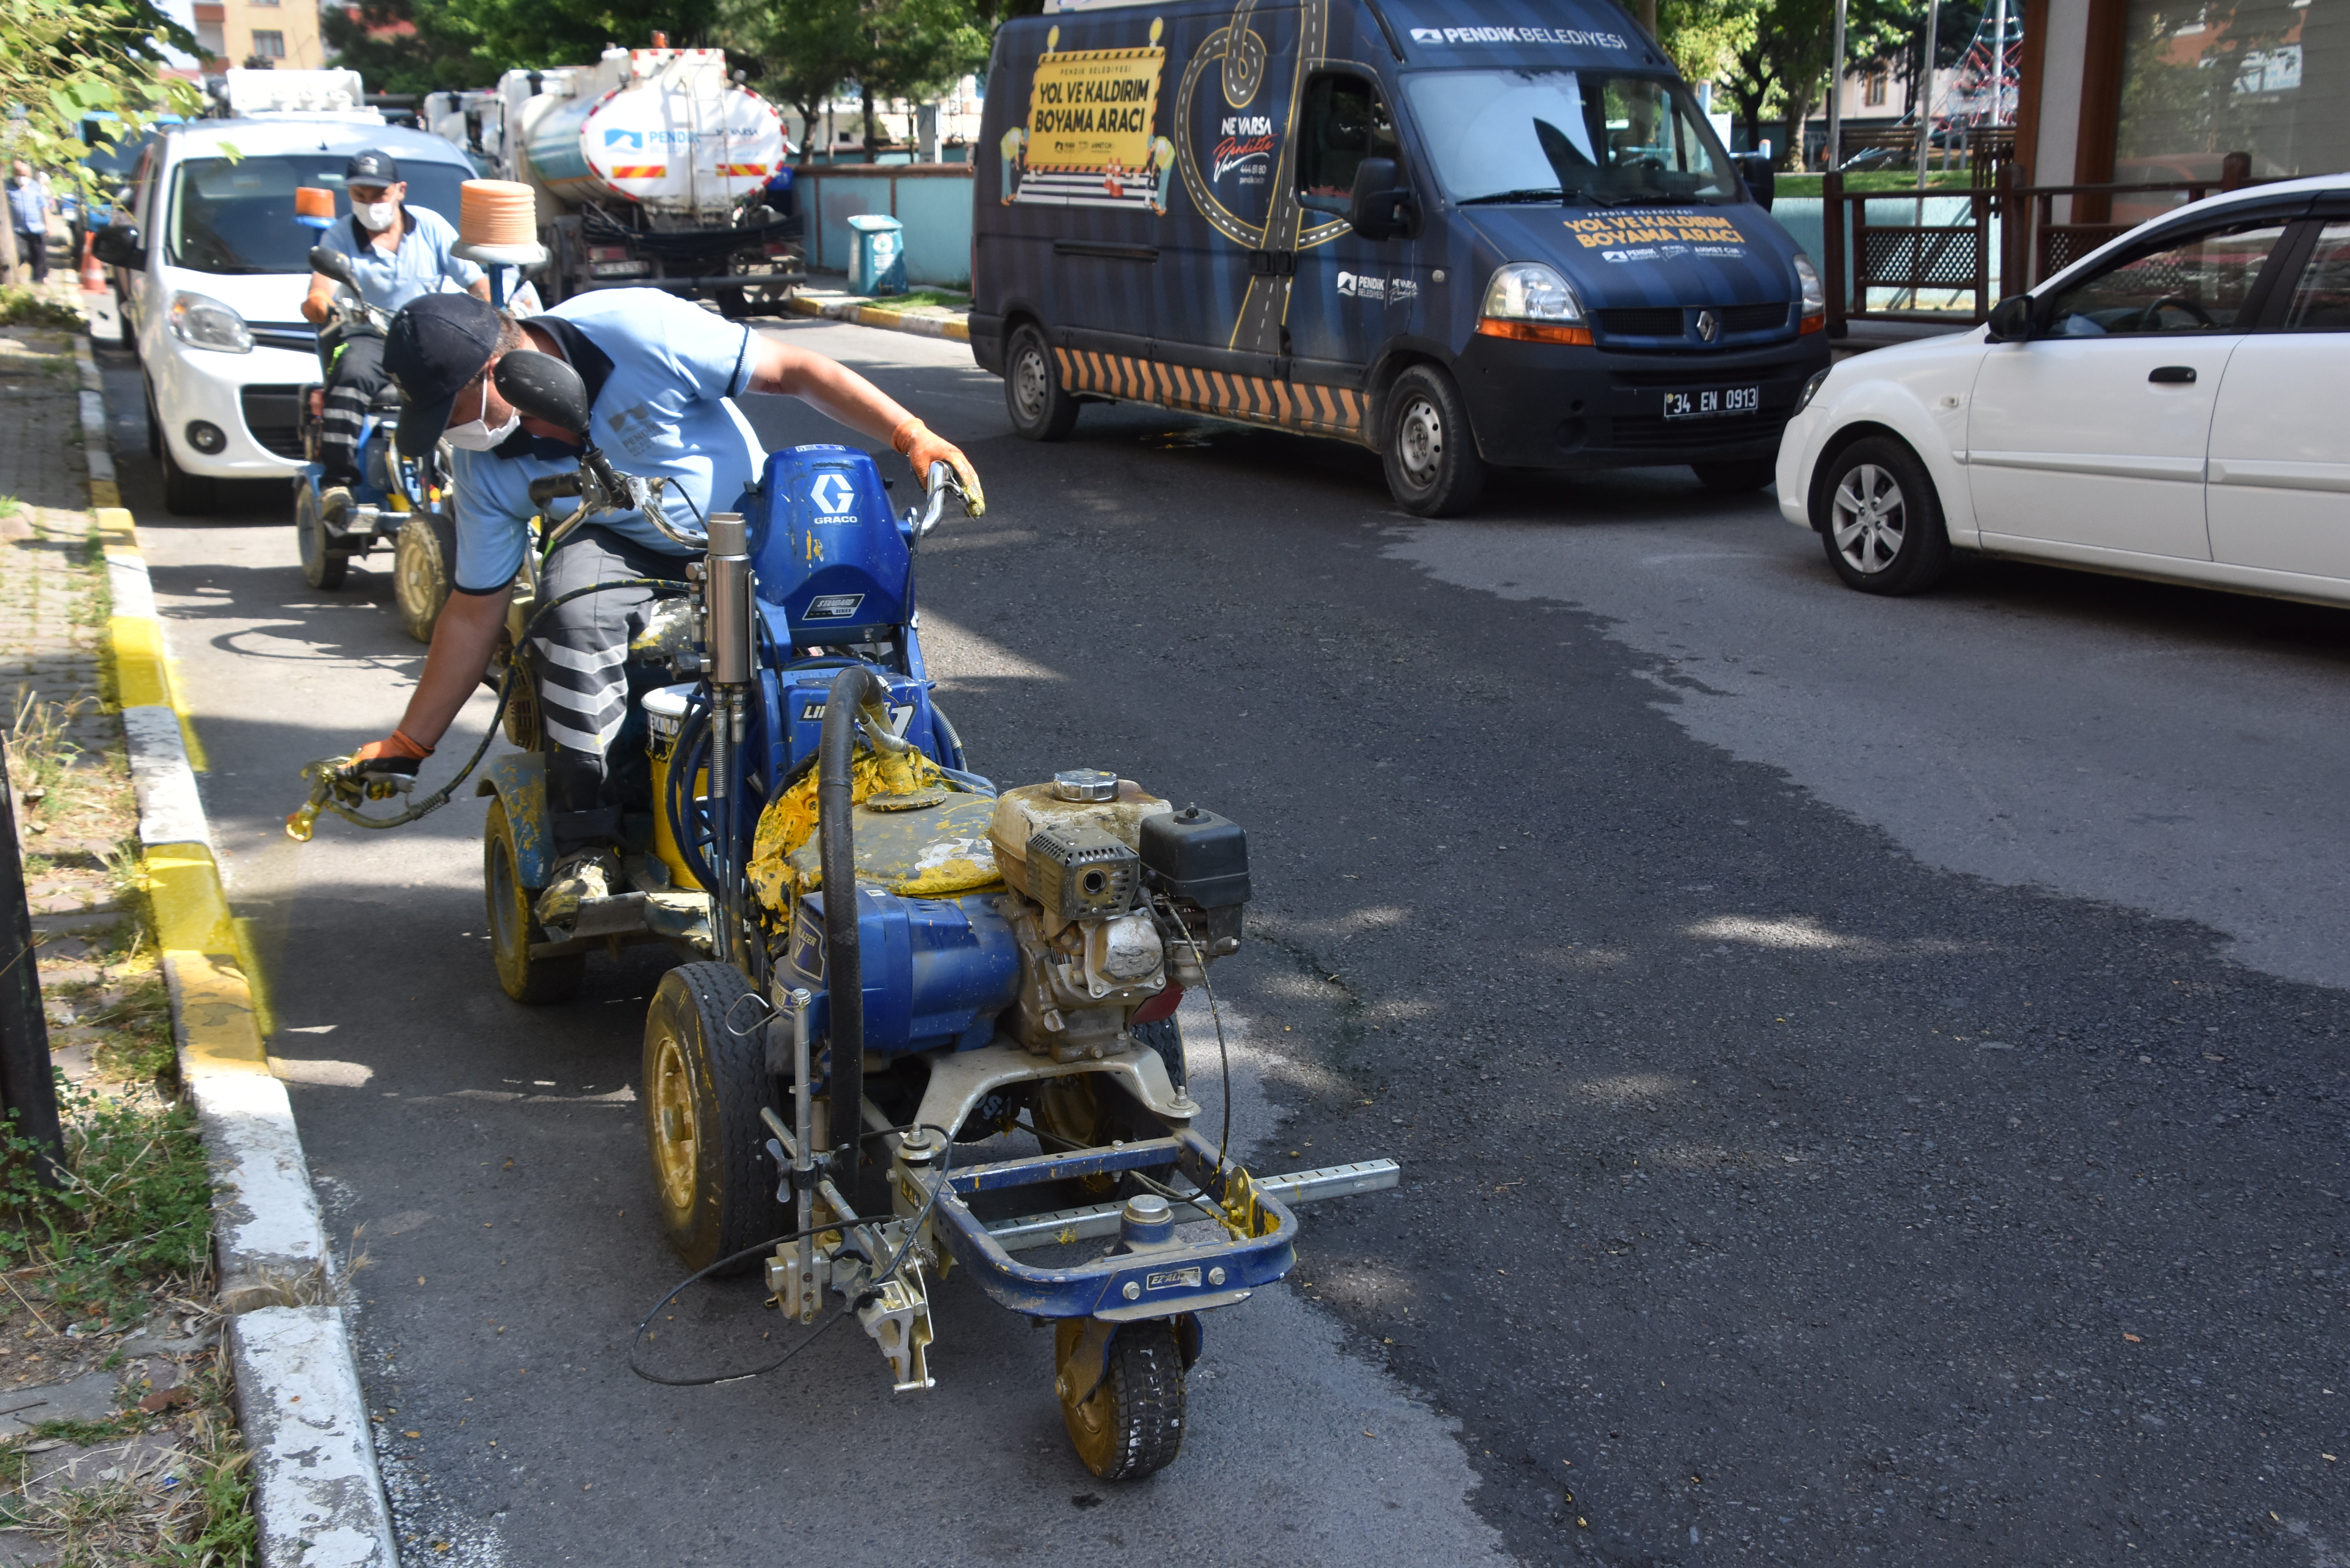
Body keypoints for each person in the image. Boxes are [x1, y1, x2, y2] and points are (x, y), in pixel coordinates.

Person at [349, 289, 984, 924]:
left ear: (499, 371)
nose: (451, 433)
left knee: (852, 625)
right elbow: (472, 609)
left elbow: (795, 371)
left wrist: (911, 434)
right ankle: (589, 847)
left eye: (449, 409)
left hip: (747, 528)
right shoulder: (482, 464)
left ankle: (898, 797)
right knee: (567, 612)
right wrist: (410, 743)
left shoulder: (638, 329)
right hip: (616, 545)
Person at [299, 151, 490, 503]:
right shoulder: (340, 236)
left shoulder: (430, 226)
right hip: (371, 337)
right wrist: (317, 302)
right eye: (360, 196)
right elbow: (321, 287)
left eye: (379, 195)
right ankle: (338, 483)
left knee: (477, 377)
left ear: (400, 191)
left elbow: (476, 282)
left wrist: (490, 311)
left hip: (427, 336)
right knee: (349, 372)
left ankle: (477, 474)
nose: (370, 204)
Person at [8, 162, 50, 286]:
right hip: (17, 228)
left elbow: (44, 206)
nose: (22, 177)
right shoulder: (7, 186)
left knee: (39, 255)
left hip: (36, 227)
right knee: (20, 253)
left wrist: (48, 225)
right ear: (14, 174)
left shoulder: (34, 187)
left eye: (25, 174)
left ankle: (39, 279)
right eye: (19, 174)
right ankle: (13, 278)